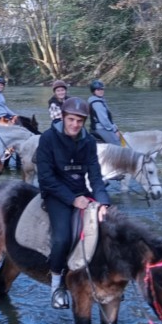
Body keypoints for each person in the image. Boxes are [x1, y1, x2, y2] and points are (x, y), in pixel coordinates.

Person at [34, 96, 110, 310]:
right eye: (71, 119)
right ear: (63, 117)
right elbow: (45, 178)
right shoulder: (48, 138)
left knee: (109, 229)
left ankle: (102, 280)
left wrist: (103, 202)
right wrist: (72, 199)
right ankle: (57, 285)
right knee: (62, 238)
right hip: (56, 194)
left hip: (81, 192)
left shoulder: (89, 141)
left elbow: (95, 176)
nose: (75, 124)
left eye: (80, 120)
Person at [87, 79, 122, 145]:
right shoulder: (97, 103)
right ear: (94, 91)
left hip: (102, 127)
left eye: (102, 89)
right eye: (98, 90)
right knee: (117, 143)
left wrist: (115, 126)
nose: (101, 91)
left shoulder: (99, 100)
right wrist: (114, 130)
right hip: (100, 128)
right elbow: (104, 120)